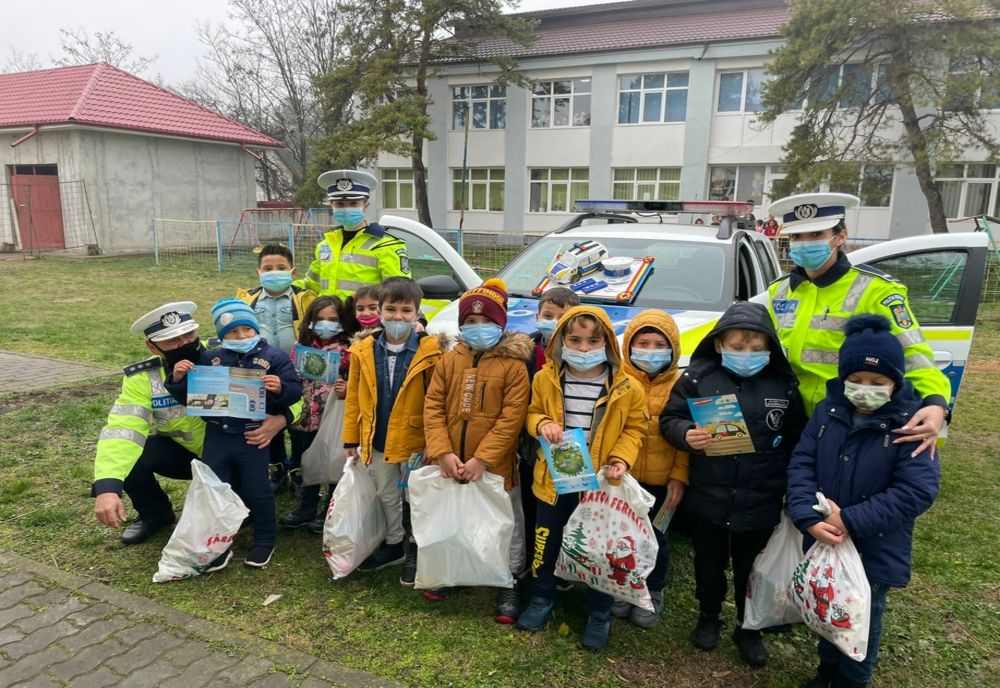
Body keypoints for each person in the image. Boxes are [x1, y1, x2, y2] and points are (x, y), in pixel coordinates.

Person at [787, 315, 940, 688]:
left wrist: (851, 520)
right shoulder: (827, 412)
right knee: (827, 606)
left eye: (877, 382)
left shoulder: (911, 425)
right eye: (855, 379)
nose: (864, 389)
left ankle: (853, 679)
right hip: (824, 537)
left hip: (875, 546)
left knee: (861, 617)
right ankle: (827, 670)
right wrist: (807, 516)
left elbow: (916, 490)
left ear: (895, 383)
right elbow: (802, 463)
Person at [661, 301, 806, 667]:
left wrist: (792, 489)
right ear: (719, 344)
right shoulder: (698, 379)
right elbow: (670, 418)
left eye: (757, 348)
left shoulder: (783, 385)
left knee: (751, 568)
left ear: (770, 347)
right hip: (708, 494)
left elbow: (796, 439)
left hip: (761, 496)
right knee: (708, 563)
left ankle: (749, 627)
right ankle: (708, 616)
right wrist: (685, 433)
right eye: (738, 347)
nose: (747, 354)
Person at [766, 193, 950, 456]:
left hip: (849, 417)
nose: (805, 244)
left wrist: (935, 402)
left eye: (816, 234)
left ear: (840, 237)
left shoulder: (876, 289)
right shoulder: (780, 290)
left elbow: (913, 354)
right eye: (796, 236)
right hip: (791, 415)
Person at [93, 302, 289, 545]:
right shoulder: (144, 377)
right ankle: (155, 514)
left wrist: (283, 418)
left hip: (240, 448)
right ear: (152, 347)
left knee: (243, 512)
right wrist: (107, 486)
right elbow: (124, 429)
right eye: (172, 341)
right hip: (189, 454)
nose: (184, 344)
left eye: (189, 335)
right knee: (135, 454)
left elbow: (293, 388)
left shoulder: (231, 350)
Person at [516, 306, 647, 651]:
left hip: (600, 484)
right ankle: (541, 596)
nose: (584, 348)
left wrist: (620, 459)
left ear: (607, 343)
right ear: (561, 341)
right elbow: (532, 413)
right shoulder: (545, 378)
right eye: (574, 340)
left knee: (600, 549)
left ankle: (600, 611)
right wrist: (542, 423)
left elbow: (635, 428)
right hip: (554, 480)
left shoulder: (626, 387)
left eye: (593, 341)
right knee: (546, 541)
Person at [421, 278, 533, 621]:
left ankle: (510, 579)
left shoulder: (514, 366)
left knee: (506, 522)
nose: (478, 327)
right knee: (458, 518)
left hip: (495, 465)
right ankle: (457, 572)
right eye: (471, 321)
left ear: (501, 324)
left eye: (487, 321)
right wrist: (442, 452)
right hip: (452, 460)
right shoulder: (449, 360)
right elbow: (433, 407)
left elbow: (511, 419)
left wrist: (483, 459)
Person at [167, 299, 302, 568]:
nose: (241, 336)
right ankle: (217, 542)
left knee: (258, 488)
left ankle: (265, 539)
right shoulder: (211, 357)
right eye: (232, 332)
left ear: (256, 328)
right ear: (221, 335)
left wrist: (280, 388)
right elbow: (192, 397)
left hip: (252, 436)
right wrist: (178, 380)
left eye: (247, 329)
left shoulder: (274, 356)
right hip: (217, 434)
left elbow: (295, 391)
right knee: (215, 489)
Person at [343, 277, 444, 576]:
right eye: (391, 310)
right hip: (377, 436)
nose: (398, 317)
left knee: (417, 495)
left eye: (406, 310)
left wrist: (435, 443)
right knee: (386, 493)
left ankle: (418, 547)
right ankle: (394, 541)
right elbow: (354, 397)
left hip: (416, 441)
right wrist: (350, 438)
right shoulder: (364, 350)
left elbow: (439, 402)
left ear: (417, 313)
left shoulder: (431, 351)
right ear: (380, 310)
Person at [614, 310, 689, 628]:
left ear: (673, 349)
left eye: (660, 345)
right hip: (624, 477)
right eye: (642, 343)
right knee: (622, 534)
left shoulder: (682, 385)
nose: (650, 351)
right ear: (628, 345)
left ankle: (652, 590)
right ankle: (622, 585)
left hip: (662, 480)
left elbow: (686, 438)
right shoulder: (618, 379)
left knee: (656, 537)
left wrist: (679, 476)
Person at [237, 243, 315, 494]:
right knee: (266, 418)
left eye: (281, 268)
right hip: (259, 373)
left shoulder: (305, 298)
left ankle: (299, 468)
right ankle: (276, 467)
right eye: (268, 268)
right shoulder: (246, 300)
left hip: (297, 370)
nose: (274, 273)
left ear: (293, 272)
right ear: (258, 272)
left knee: (299, 421)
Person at [280, 295, 353, 533]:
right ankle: (306, 507)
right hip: (304, 419)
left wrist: (346, 387)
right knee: (308, 462)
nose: (326, 324)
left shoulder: (349, 350)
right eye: (320, 319)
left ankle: (330, 509)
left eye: (332, 319)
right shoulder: (300, 348)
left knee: (334, 462)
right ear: (310, 320)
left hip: (332, 418)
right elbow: (292, 377)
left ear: (342, 321)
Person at [303, 170, 410, 300]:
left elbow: (399, 293)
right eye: (340, 204)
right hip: (328, 312)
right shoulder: (325, 245)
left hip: (363, 313)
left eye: (353, 203)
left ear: (366, 206)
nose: (346, 209)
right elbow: (311, 284)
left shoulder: (387, 245)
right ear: (332, 206)